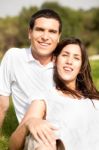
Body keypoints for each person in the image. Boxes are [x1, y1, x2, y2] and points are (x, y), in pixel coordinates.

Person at [9, 37, 99, 150]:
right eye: (65, 55)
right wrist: (29, 123)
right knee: (40, 139)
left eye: (76, 58)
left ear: (81, 67)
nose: (69, 61)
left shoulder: (94, 99)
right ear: (55, 60)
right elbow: (13, 145)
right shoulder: (45, 96)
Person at [0, 8, 62, 147]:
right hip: (38, 132)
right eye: (40, 29)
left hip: (68, 129)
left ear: (58, 36)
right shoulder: (14, 57)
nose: (45, 36)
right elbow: (1, 105)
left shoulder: (65, 64)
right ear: (30, 33)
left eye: (52, 31)